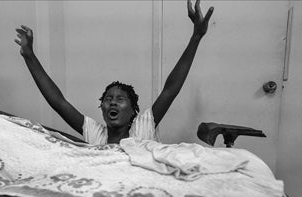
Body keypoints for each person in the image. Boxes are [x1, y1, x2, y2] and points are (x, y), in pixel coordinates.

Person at [14, 0, 213, 144]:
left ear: (133, 111)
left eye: (120, 99)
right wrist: (29, 56)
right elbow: (58, 102)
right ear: (101, 108)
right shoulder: (95, 134)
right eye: (108, 98)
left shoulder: (142, 128)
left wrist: (196, 37)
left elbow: (170, 90)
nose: (113, 101)